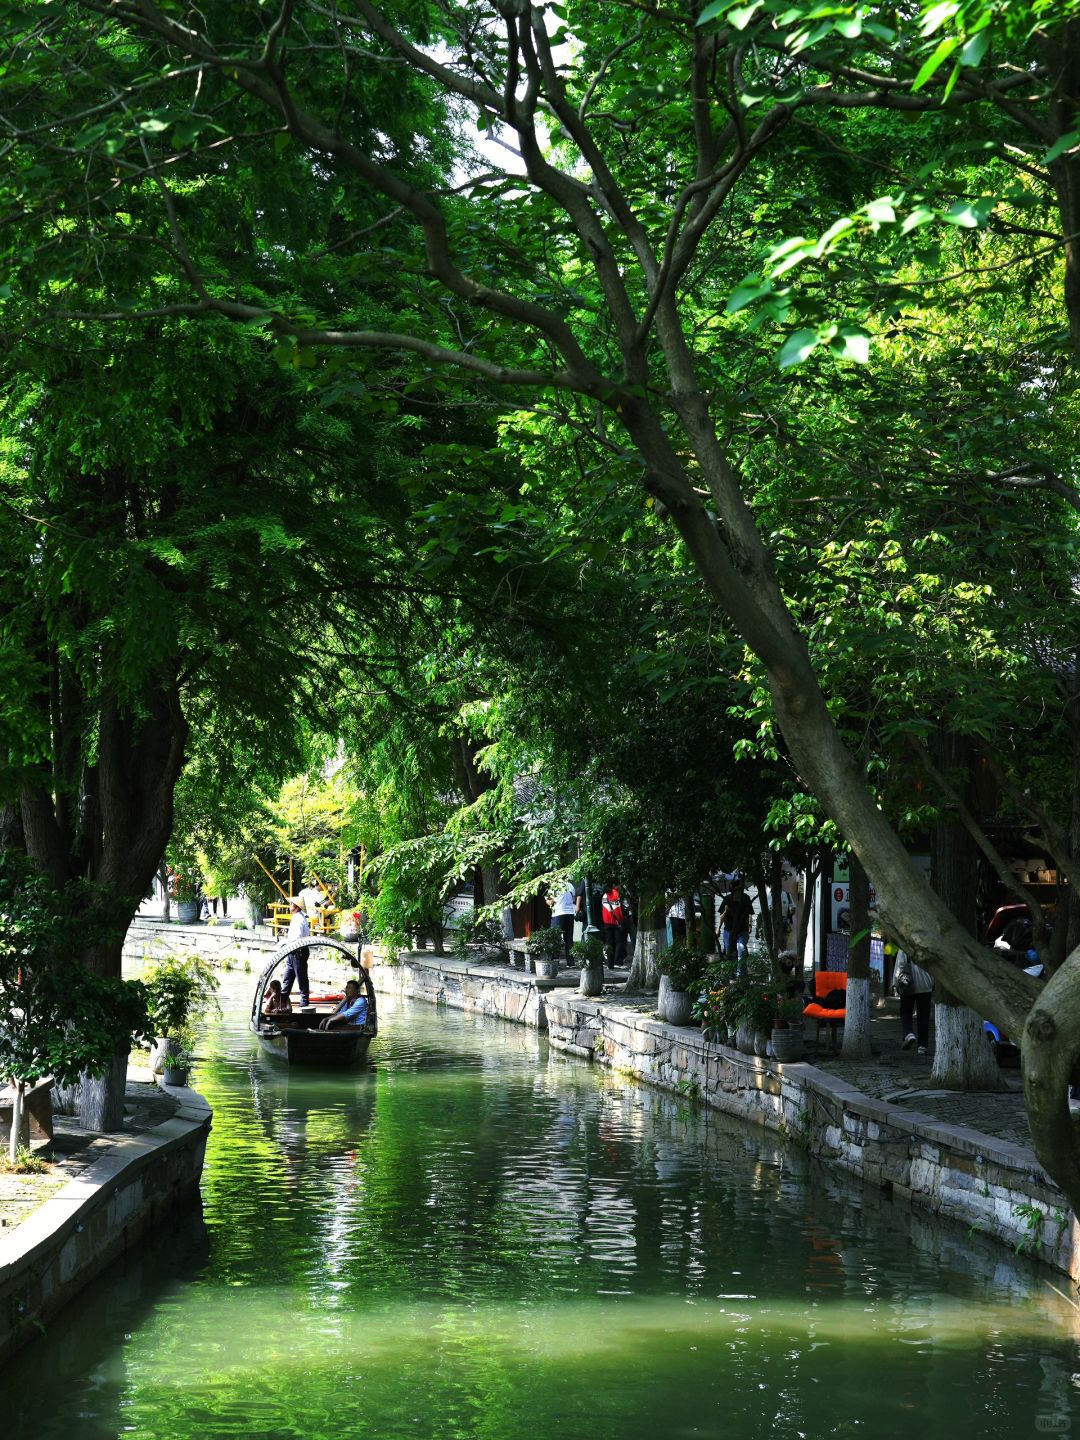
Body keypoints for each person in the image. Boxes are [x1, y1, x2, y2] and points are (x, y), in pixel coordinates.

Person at [894, 949, 933, 1055]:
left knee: (905, 1011)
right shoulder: (929, 944)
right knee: (923, 1016)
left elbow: (900, 965)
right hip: (926, 985)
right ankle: (922, 1046)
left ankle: (909, 1034)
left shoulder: (904, 946)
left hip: (908, 984)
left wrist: (895, 984)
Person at [716, 875, 755, 977]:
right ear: (732, 890)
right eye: (737, 889)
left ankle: (741, 976)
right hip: (728, 930)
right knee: (729, 953)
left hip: (742, 930)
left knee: (741, 949)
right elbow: (721, 916)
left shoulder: (746, 898)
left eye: (740, 889)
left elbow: (749, 913)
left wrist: (750, 925)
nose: (739, 891)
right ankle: (730, 976)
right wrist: (718, 928)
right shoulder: (727, 899)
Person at [281, 899, 311, 1007]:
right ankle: (282, 999)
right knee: (288, 977)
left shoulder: (299, 919)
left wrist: (288, 943)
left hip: (298, 951)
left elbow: (297, 937)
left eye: (291, 904)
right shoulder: (297, 917)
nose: (290, 905)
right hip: (293, 950)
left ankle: (304, 1002)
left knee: (301, 977)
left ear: (297, 906)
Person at [601, 885, 631, 968]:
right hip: (617, 923)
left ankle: (610, 963)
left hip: (607, 922)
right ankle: (617, 961)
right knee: (619, 942)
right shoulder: (618, 894)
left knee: (609, 943)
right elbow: (621, 909)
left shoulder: (604, 895)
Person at [550, 883, 576, 963]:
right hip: (570, 914)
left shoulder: (553, 885)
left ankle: (555, 960)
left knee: (555, 938)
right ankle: (570, 962)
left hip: (558, 913)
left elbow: (549, 902)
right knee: (569, 939)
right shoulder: (570, 885)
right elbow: (573, 899)